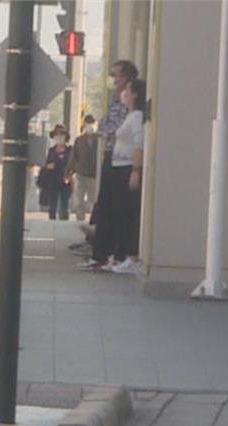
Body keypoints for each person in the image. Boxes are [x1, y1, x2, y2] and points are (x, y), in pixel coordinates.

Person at [78, 60, 139, 271]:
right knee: (104, 205)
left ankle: (115, 254)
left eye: (118, 76)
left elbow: (113, 128)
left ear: (128, 79)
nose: (114, 81)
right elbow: (104, 124)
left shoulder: (129, 106)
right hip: (111, 156)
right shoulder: (116, 100)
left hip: (121, 159)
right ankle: (102, 253)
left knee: (118, 209)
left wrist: (102, 132)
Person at [104, 78, 147, 275]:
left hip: (128, 168)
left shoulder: (137, 117)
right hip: (119, 167)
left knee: (128, 214)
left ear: (135, 94)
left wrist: (135, 171)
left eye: (128, 91)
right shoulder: (130, 116)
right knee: (120, 213)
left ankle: (132, 256)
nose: (124, 94)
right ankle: (122, 255)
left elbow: (139, 144)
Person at [66, 114, 99, 221]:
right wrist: (68, 171)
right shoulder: (79, 140)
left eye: (92, 123)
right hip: (81, 174)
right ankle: (80, 220)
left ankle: (93, 221)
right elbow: (73, 157)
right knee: (78, 200)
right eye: (88, 123)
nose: (90, 125)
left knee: (93, 200)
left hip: (94, 175)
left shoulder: (100, 140)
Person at [38, 124, 73, 221]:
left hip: (65, 180)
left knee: (64, 203)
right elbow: (46, 164)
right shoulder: (51, 151)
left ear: (66, 137)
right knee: (52, 203)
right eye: (57, 136)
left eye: (62, 135)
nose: (59, 138)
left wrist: (70, 174)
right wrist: (48, 167)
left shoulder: (70, 150)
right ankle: (52, 219)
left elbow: (73, 164)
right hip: (52, 181)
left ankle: (64, 220)